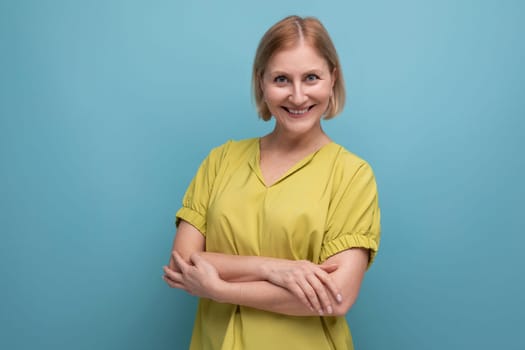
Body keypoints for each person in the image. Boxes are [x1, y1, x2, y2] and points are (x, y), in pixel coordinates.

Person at [163, 15, 381, 350]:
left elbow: (336, 296)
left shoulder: (352, 175)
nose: (297, 96)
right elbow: (183, 263)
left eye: (311, 78)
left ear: (333, 79)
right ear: (261, 82)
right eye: (281, 79)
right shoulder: (221, 160)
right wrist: (275, 269)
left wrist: (220, 288)